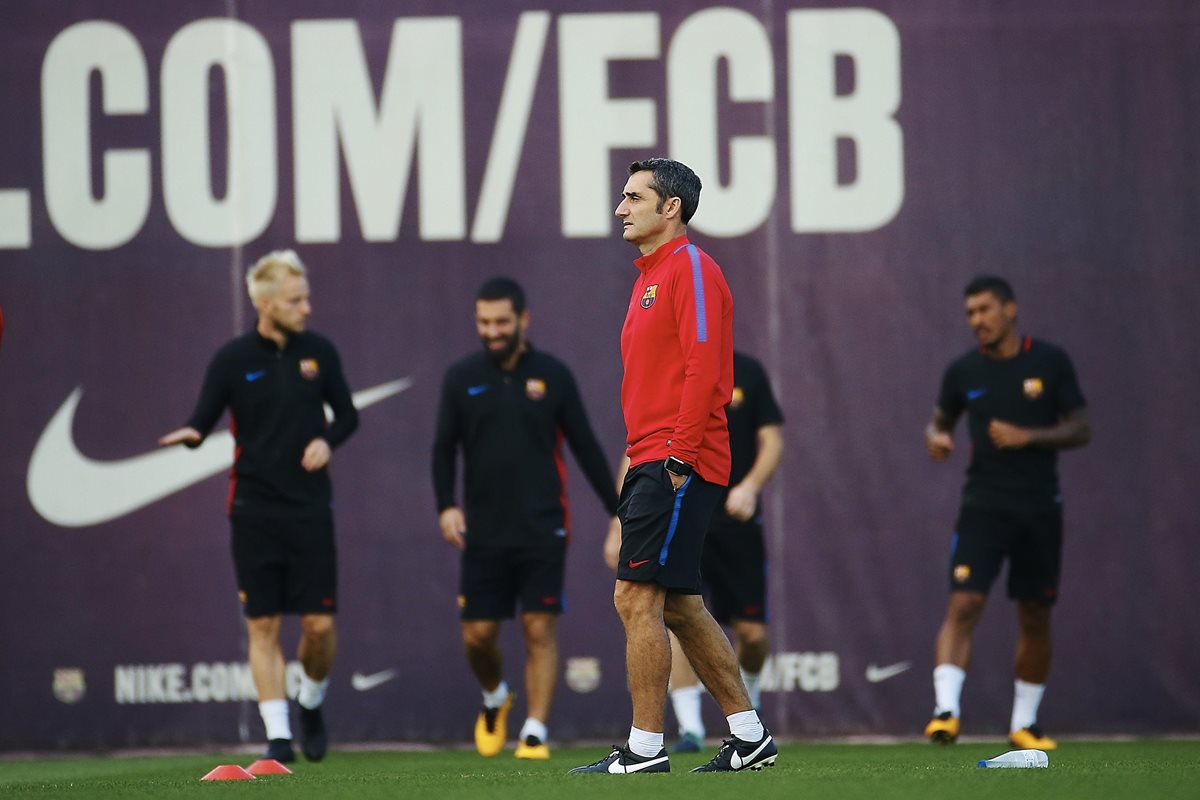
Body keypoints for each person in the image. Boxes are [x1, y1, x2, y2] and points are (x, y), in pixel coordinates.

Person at [571, 158, 777, 775]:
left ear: (672, 209)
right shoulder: (647, 277)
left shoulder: (691, 266)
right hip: (653, 456)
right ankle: (749, 736)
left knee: (634, 597)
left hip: (676, 458)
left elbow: (707, 367)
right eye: (622, 196)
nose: (620, 207)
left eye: (634, 197)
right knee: (681, 604)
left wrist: (679, 458)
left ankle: (644, 748)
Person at [159, 250, 358, 763]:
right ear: (265, 303)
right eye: (296, 300)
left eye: (306, 297)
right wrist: (191, 434)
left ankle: (310, 700)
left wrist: (328, 441)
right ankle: (278, 736)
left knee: (318, 627)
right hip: (253, 508)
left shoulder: (321, 352)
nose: (306, 308)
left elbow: (348, 416)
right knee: (263, 625)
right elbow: (203, 420)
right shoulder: (232, 360)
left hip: (311, 509)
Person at [432, 276, 620, 760]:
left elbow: (586, 448)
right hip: (483, 530)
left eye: (501, 322)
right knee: (478, 636)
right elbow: (442, 449)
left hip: (543, 526)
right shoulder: (460, 377)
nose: (492, 331)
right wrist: (445, 505)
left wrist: (619, 513)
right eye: (484, 322)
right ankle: (496, 696)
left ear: (523, 320)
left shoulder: (553, 376)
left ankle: (534, 730)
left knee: (539, 627)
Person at [922, 275, 1090, 750]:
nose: (977, 320)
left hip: (1039, 507)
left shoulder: (1050, 362)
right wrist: (936, 437)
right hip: (983, 505)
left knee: (1035, 613)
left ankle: (1025, 724)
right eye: (970, 312)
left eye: (985, 310)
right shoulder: (963, 372)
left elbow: (1082, 428)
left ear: (1010, 310)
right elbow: (939, 421)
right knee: (964, 603)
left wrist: (1028, 436)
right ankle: (946, 713)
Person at [666, 352, 784, 752]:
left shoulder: (748, 371)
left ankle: (751, 708)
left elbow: (772, 441)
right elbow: (638, 443)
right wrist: (619, 518)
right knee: (678, 617)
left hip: (736, 519)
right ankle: (691, 730)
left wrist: (750, 487)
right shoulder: (670, 368)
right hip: (683, 512)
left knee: (752, 633)